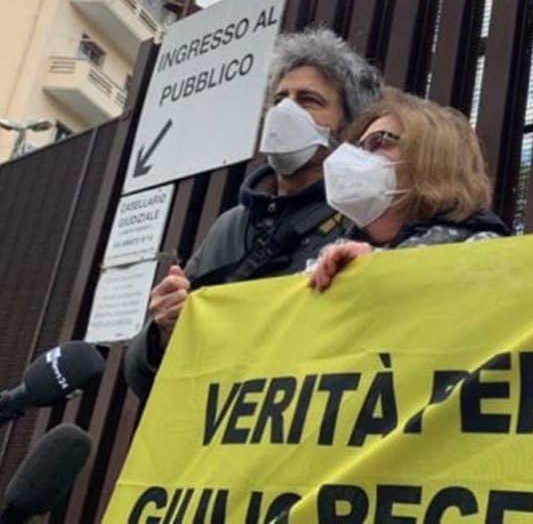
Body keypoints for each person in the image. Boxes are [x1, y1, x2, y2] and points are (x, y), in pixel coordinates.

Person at [123, 27, 382, 402]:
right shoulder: (232, 225)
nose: (285, 111)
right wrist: (160, 334)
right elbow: (143, 381)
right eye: (280, 99)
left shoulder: (363, 219)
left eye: (308, 100)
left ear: (346, 127)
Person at [307, 88, 508, 290]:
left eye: (377, 142)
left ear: (432, 160)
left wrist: (379, 268)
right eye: (357, 148)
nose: (356, 160)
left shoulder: (488, 252)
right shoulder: (328, 262)